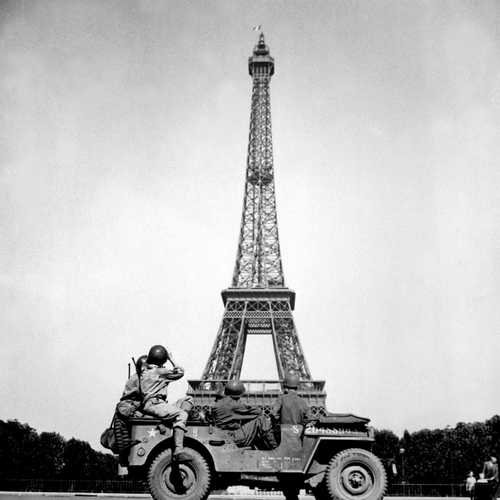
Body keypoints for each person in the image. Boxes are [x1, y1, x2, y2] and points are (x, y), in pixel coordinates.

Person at [140, 345, 190, 460]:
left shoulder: (145, 372)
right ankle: (178, 450)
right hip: (156, 404)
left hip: (151, 404)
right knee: (182, 414)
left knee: (185, 400)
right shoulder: (160, 371)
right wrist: (171, 359)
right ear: (163, 360)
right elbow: (180, 372)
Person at [213, 380, 277, 449]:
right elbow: (258, 412)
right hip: (233, 436)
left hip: (222, 434)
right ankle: (274, 448)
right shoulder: (233, 404)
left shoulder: (220, 402)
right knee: (261, 420)